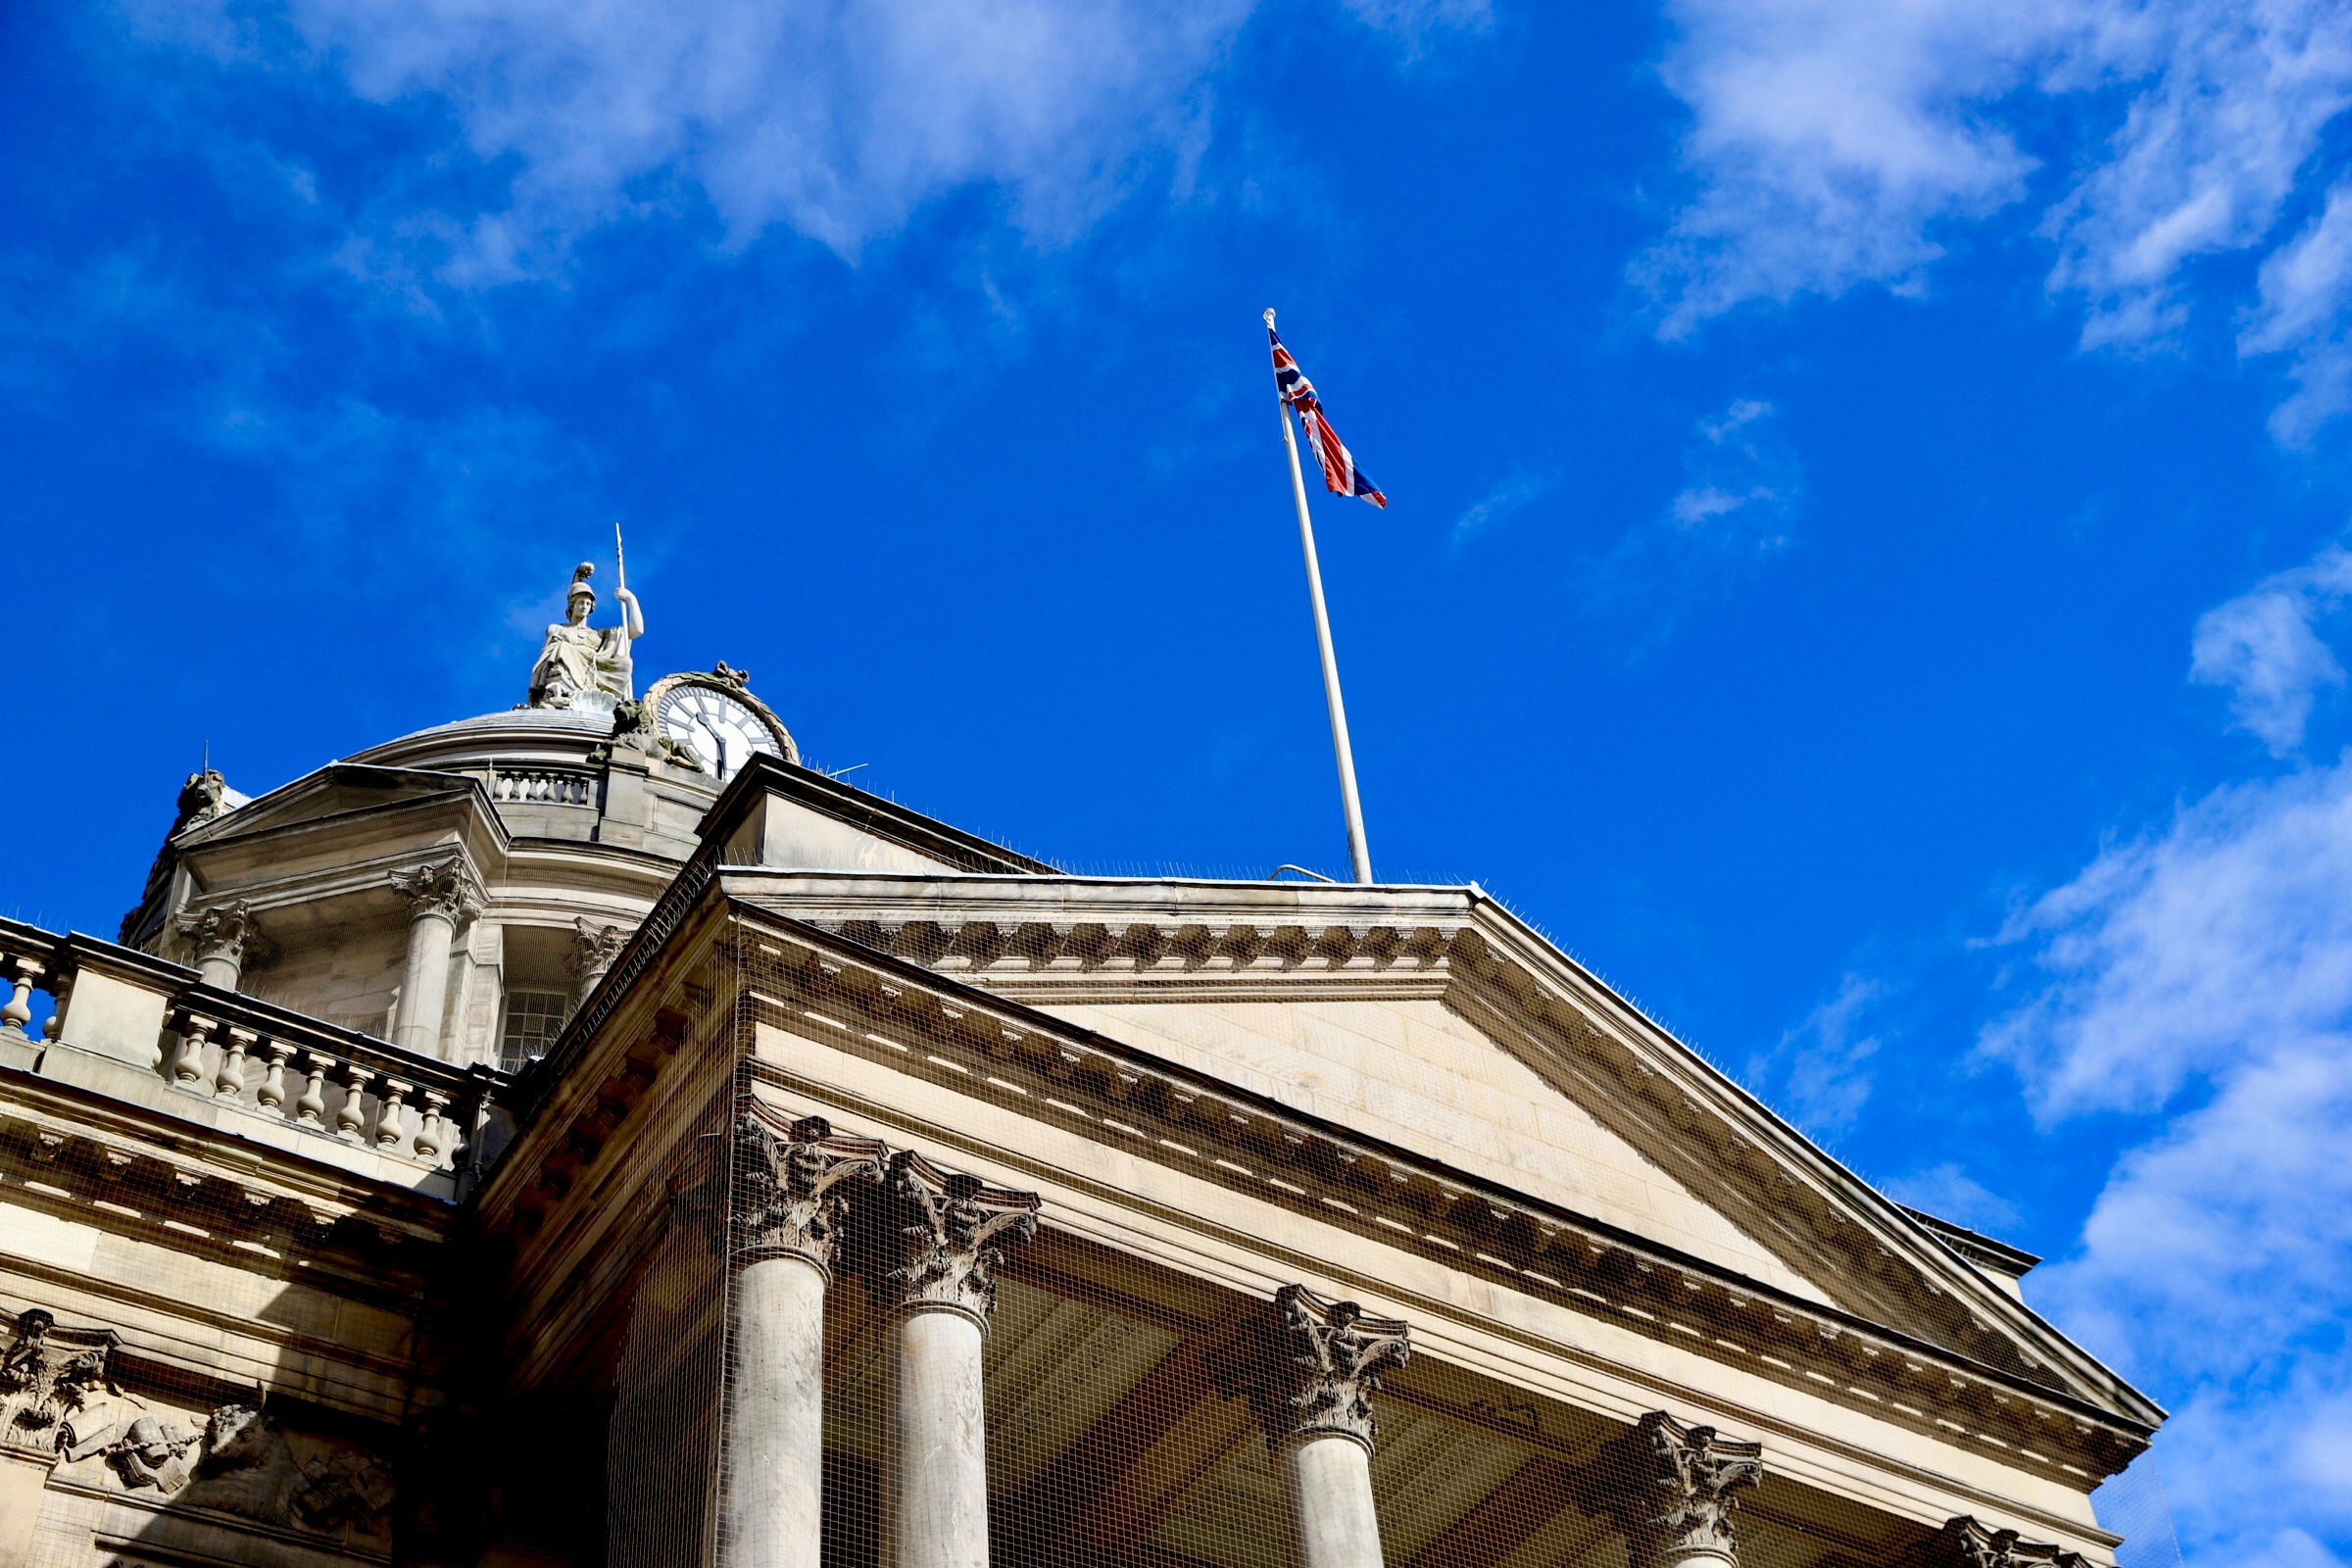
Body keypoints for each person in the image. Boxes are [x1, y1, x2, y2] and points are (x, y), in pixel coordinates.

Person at [527, 563, 644, 710]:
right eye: (580, 602)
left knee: (626, 663)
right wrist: (578, 580)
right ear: (572, 605)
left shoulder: (599, 635)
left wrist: (631, 599)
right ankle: (562, 692)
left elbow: (636, 630)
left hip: (594, 669)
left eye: (588, 603)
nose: (584, 606)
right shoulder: (558, 629)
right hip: (564, 671)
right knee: (562, 647)